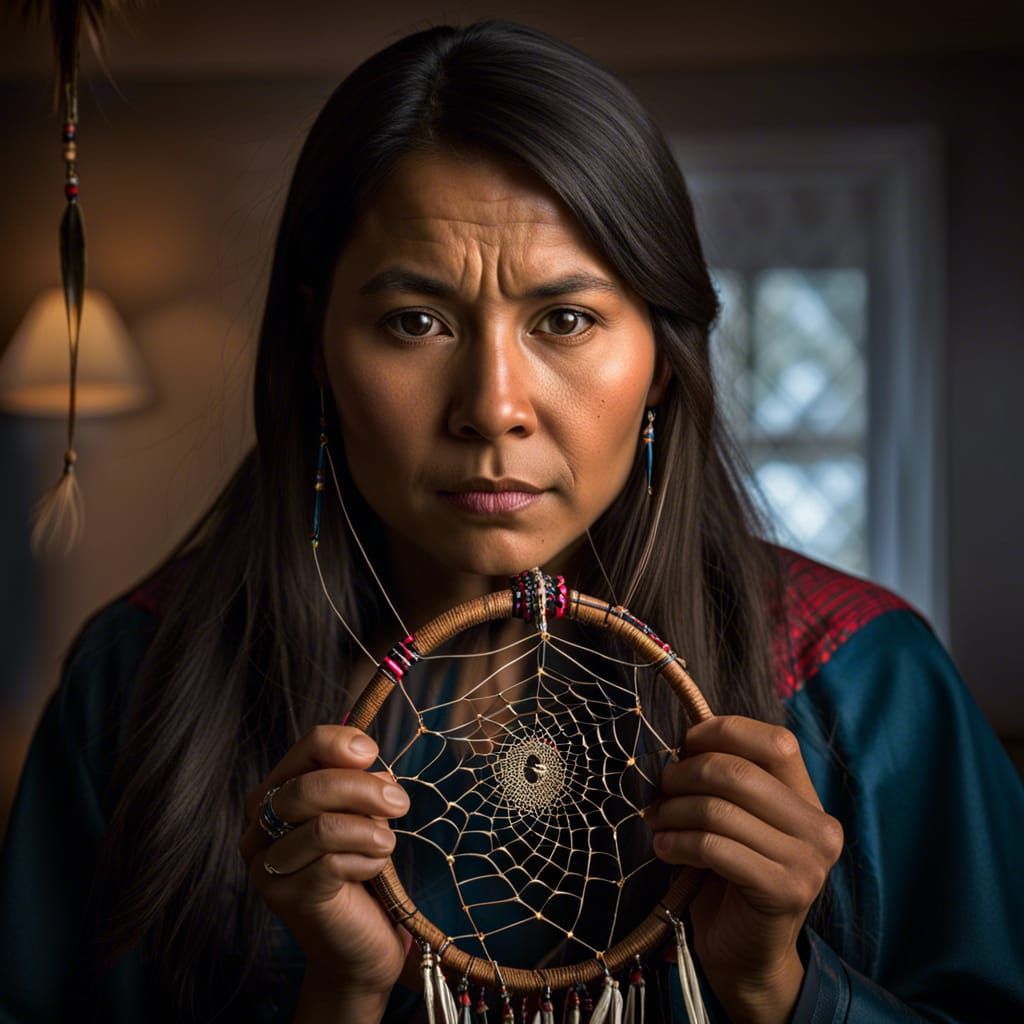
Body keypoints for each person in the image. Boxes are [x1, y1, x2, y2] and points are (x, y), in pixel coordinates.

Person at [1, 20, 1022, 1024]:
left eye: (565, 320)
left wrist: (777, 991)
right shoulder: (140, 686)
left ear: (661, 356)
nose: (492, 406)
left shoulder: (858, 681)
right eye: (415, 322)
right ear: (317, 344)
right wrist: (340, 996)